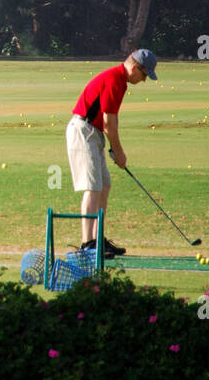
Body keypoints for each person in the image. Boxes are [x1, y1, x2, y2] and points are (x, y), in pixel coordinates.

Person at [65, 48, 158, 257]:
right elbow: (109, 123)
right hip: (83, 131)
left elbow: (110, 122)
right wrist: (119, 152)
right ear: (135, 67)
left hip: (93, 132)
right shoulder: (114, 79)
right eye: (144, 75)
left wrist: (116, 149)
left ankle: (98, 239)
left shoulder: (120, 81)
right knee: (93, 187)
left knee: (104, 185)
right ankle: (87, 243)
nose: (143, 80)